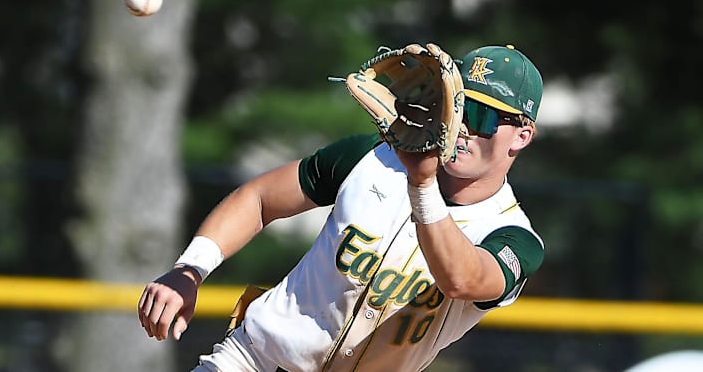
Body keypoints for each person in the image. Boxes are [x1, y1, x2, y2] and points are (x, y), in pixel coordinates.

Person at [137, 44, 545, 372]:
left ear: (521, 135)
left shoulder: (512, 237)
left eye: (484, 115)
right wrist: (190, 269)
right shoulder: (371, 158)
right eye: (459, 105)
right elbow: (260, 200)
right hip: (255, 361)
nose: (464, 125)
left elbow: (461, 280)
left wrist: (421, 184)